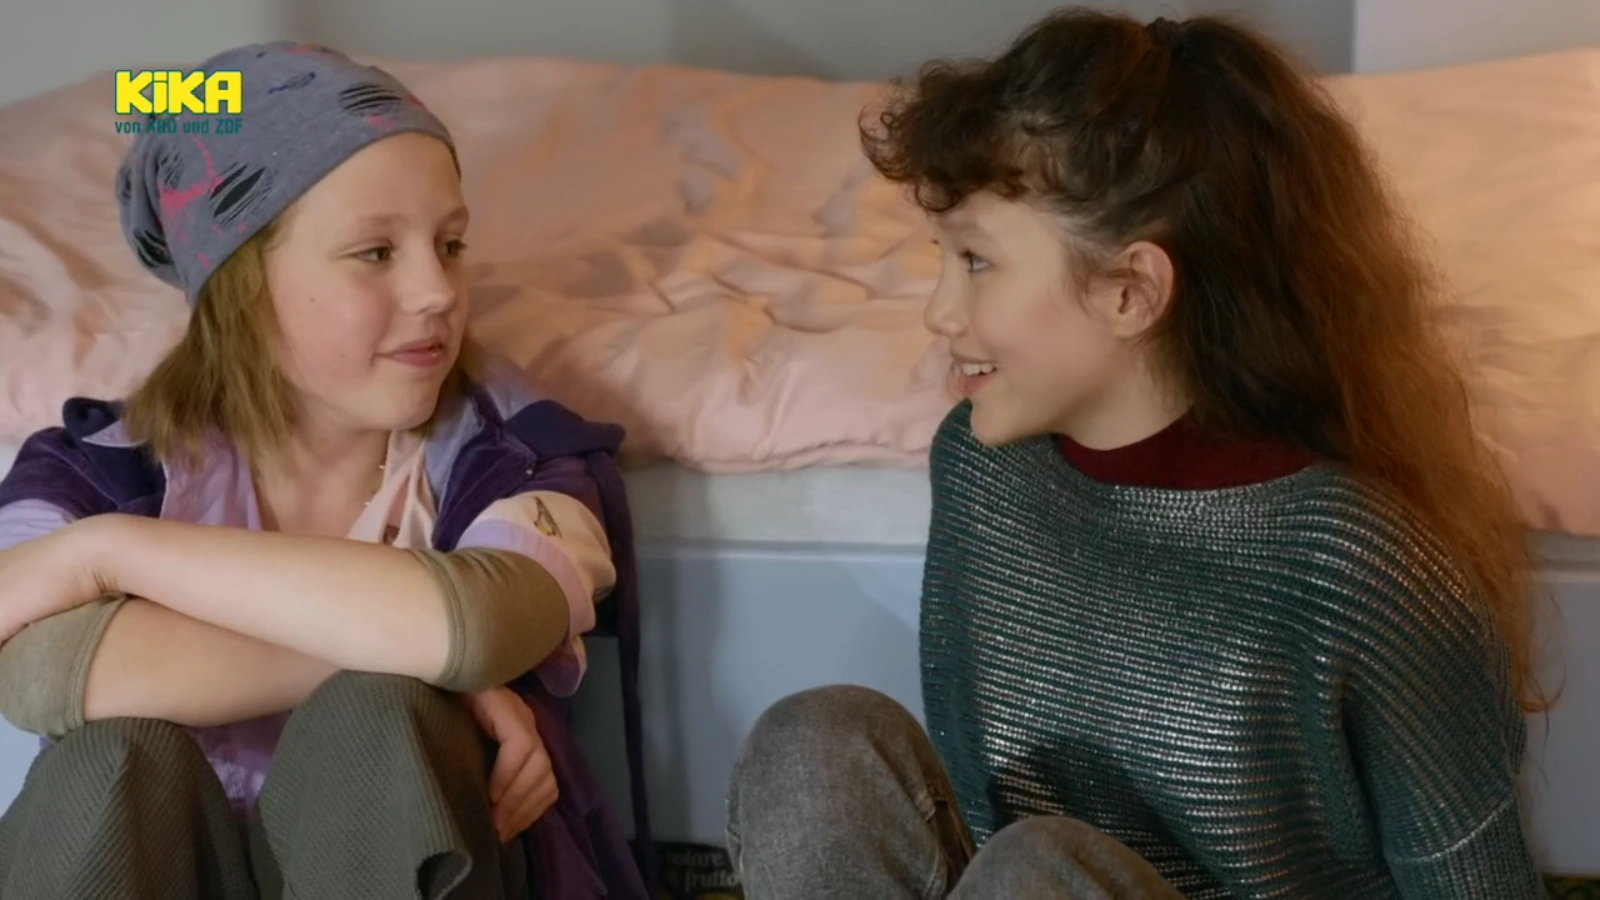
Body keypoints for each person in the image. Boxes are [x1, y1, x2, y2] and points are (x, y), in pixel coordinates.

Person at [725, 9, 1549, 899]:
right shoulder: (981, 467)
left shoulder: (1360, 564)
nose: (939, 311)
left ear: (1131, 291)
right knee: (811, 747)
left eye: (977, 261)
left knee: (1038, 874)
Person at [0, 42, 652, 900]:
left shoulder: (522, 450)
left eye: (451, 244)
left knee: (377, 720)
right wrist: (434, 662)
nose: (438, 291)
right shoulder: (92, 465)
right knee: (106, 762)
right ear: (242, 283)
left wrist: (106, 554)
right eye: (375, 252)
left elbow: (481, 619)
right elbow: (45, 674)